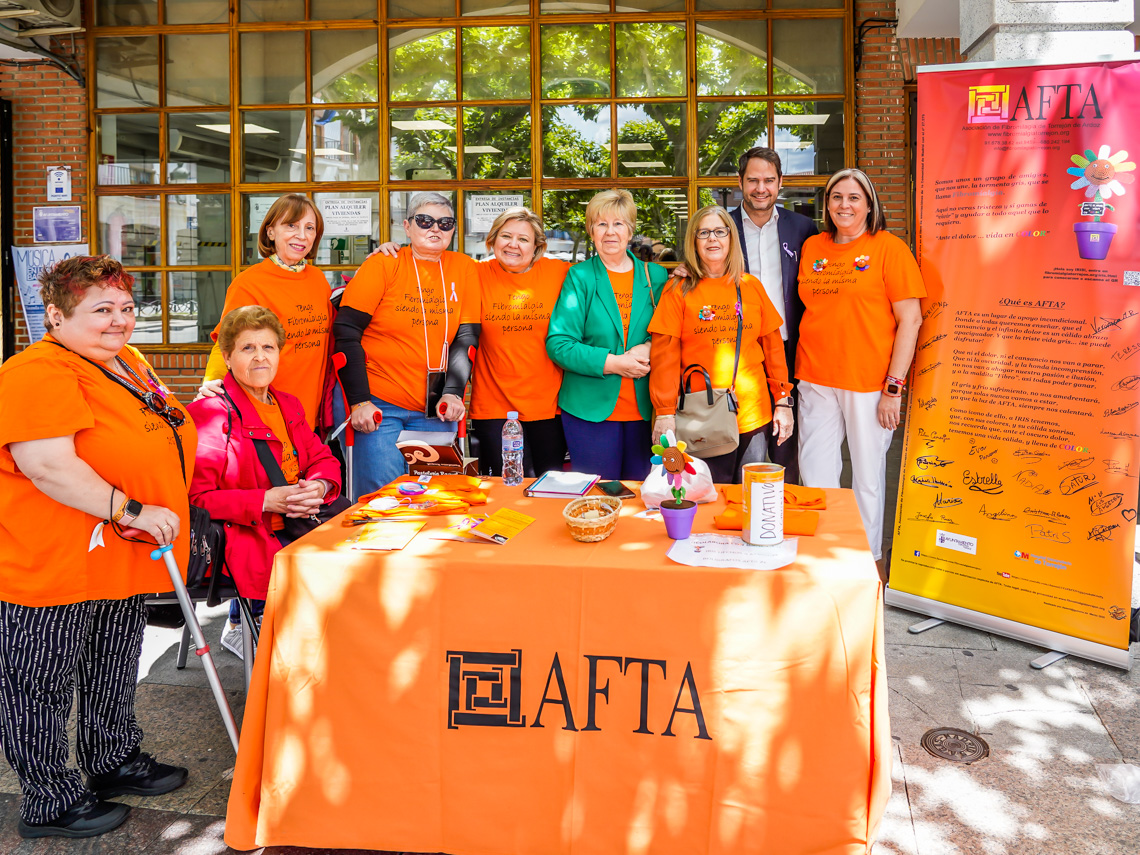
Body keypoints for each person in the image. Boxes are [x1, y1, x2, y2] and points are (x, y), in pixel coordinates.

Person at [0, 256, 194, 839]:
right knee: (40, 683)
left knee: (113, 664)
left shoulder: (125, 360)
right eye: (102, 309)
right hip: (54, 559)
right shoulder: (36, 371)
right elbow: (48, 466)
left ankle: (112, 759)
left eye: (127, 308)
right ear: (56, 316)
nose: (119, 320)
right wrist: (133, 510)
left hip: (117, 554)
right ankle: (49, 798)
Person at [188, 307, 342, 659]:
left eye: (268, 347)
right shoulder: (210, 413)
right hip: (249, 539)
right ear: (227, 357)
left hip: (300, 526)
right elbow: (197, 499)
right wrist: (265, 500)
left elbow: (323, 460)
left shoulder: (288, 404)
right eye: (248, 348)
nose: (260, 357)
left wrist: (318, 487)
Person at [796, 168, 925, 562]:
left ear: (870, 205)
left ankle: (865, 561)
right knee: (815, 473)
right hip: (815, 378)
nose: (844, 205)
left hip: (868, 383)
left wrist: (893, 389)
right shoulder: (813, 247)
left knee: (867, 479)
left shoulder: (889, 249)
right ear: (826, 205)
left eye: (854, 197)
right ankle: (824, 555)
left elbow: (911, 320)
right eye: (836, 197)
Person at [333, 192, 479, 496]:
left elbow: (465, 338)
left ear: (453, 229)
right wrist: (359, 401)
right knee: (382, 500)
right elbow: (346, 331)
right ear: (407, 226)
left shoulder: (464, 267)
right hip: (379, 404)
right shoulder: (384, 264)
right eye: (425, 221)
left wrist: (453, 393)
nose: (435, 228)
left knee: (435, 498)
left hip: (435, 406)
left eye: (445, 223)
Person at [649, 206, 794, 484]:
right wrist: (664, 413)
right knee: (706, 497)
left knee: (747, 497)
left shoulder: (751, 286)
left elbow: (773, 348)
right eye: (703, 233)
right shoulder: (678, 290)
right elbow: (664, 356)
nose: (712, 239)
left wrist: (783, 400)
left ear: (731, 238)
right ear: (693, 241)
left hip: (752, 414)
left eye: (719, 231)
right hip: (701, 417)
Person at [546, 189, 669, 480]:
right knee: (598, 496)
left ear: (631, 231)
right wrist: (614, 363)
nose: (610, 232)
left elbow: (672, 332)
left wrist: (649, 347)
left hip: (645, 411)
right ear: (591, 231)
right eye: (601, 224)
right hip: (589, 412)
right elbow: (559, 344)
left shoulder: (656, 276)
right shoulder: (579, 277)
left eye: (618, 224)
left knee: (641, 496)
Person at [199, 194, 332, 430]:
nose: (302, 235)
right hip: (266, 413)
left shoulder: (318, 279)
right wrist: (214, 381)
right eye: (291, 225)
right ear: (271, 232)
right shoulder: (249, 283)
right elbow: (226, 343)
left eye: (309, 228)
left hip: (310, 413)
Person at [728, 147, 819, 484]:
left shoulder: (803, 228)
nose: (761, 188)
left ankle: (786, 508)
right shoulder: (722, 226)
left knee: (787, 450)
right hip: (740, 355)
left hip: (790, 351)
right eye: (753, 180)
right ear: (740, 182)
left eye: (768, 180)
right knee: (741, 449)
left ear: (781, 182)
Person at [470, 207, 569, 478]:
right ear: (493, 240)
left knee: (547, 486)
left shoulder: (559, 272)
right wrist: (391, 251)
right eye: (506, 236)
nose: (513, 244)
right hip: (493, 407)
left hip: (548, 407)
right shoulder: (474, 273)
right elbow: (432, 263)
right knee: (503, 488)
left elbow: (604, 275)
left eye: (523, 239)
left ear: (537, 246)